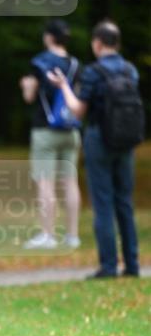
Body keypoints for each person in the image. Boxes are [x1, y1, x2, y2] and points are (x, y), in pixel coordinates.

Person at [47, 20, 143, 279]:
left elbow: (78, 110)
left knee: (103, 203)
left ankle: (108, 266)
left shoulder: (93, 72)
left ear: (98, 43)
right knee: (125, 202)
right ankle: (132, 264)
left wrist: (63, 86)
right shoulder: (130, 70)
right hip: (126, 141)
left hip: (100, 138)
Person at [19, 19, 81, 249]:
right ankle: (73, 236)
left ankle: (48, 235)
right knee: (70, 182)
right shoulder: (75, 64)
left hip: (45, 130)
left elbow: (29, 96)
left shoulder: (39, 62)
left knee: (45, 182)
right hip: (71, 129)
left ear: (49, 37)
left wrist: (25, 86)